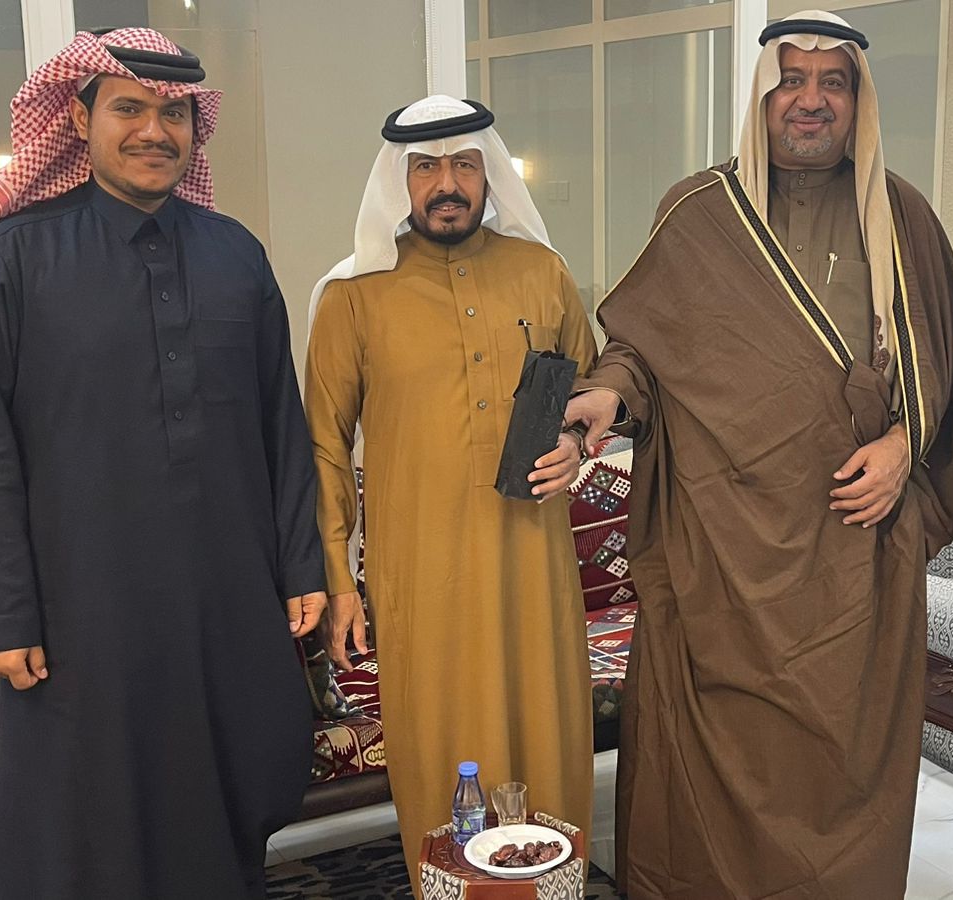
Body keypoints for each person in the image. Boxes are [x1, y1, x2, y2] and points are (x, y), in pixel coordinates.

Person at [562, 11, 953, 898]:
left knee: (842, 778)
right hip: (718, 550)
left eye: (833, 82)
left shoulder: (902, 217)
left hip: (850, 558)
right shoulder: (700, 211)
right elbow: (645, 349)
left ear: (858, 99)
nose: (810, 101)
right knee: (706, 780)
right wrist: (606, 396)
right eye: (792, 79)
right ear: (762, 95)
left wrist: (905, 444)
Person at [0, 28, 325, 899]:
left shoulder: (235, 254)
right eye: (129, 109)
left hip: (224, 591)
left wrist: (302, 565)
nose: (154, 131)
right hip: (79, 605)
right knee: (85, 809)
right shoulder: (11, 258)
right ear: (78, 119)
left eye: (173, 114)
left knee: (228, 779)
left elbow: (279, 424)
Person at [305, 94, 597, 893]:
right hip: (421, 574)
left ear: (487, 173)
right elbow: (323, 445)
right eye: (427, 167)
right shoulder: (354, 295)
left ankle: (553, 888)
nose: (447, 184)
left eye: (465, 164)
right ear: (398, 181)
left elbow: (592, 392)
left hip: (534, 567)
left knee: (548, 735)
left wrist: (576, 445)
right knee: (439, 747)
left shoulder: (542, 272)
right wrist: (339, 581)